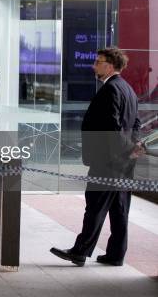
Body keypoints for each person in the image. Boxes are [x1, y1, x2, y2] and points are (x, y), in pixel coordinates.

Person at [50, 47, 143, 267]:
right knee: (119, 209)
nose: (94, 65)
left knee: (95, 207)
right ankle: (115, 254)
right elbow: (135, 123)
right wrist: (134, 146)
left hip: (108, 160)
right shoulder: (127, 88)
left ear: (109, 65)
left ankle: (80, 251)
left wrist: (127, 148)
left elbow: (112, 127)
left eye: (98, 62)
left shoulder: (111, 89)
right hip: (124, 161)